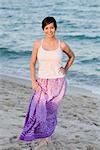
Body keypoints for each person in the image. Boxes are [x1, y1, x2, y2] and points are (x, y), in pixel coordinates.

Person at [19, 16, 75, 146]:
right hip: (42, 82)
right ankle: (38, 133)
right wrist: (33, 81)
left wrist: (65, 69)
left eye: (52, 27)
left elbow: (72, 56)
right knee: (37, 108)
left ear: (55, 28)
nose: (49, 30)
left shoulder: (62, 44)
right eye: (47, 28)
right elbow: (32, 63)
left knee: (51, 111)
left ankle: (47, 134)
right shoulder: (38, 44)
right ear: (43, 29)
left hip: (58, 83)